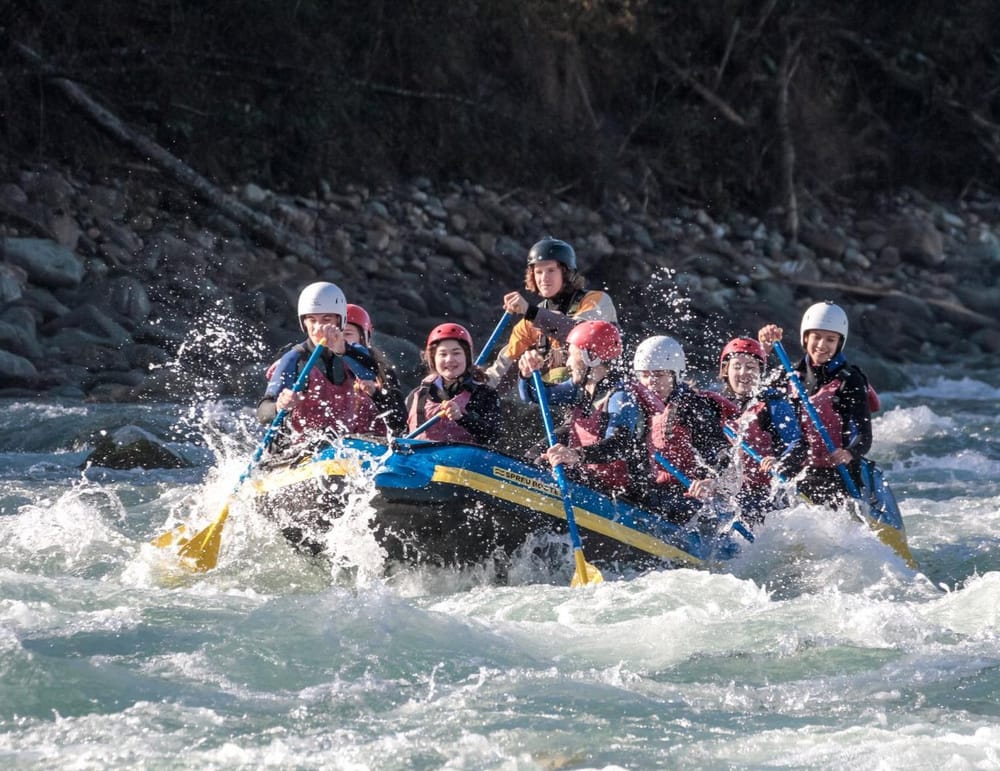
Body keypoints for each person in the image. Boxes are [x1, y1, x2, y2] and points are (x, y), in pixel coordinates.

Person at [760, 301, 873, 506]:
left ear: (839, 343)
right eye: (816, 337)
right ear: (806, 338)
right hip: (799, 468)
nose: (822, 345)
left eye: (830, 339)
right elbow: (756, 397)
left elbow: (864, 434)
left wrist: (849, 453)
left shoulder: (850, 379)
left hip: (839, 473)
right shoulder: (790, 374)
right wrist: (765, 351)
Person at [518, 320, 639, 497]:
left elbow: (619, 444)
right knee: (533, 457)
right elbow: (534, 396)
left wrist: (576, 455)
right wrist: (527, 374)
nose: (567, 363)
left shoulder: (621, 396)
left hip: (614, 492)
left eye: (571, 356)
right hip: (589, 475)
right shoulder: (579, 388)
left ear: (591, 357)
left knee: (545, 465)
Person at [629, 335, 738, 523]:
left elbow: (721, 451)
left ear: (675, 375)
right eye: (645, 375)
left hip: (686, 495)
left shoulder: (692, 407)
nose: (651, 382)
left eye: (660, 374)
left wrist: (711, 480)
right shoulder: (632, 404)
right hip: (650, 489)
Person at [485, 237, 617, 389]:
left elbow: (579, 333)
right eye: (538, 272)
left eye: (551, 270)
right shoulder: (528, 325)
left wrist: (530, 311)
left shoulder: (597, 300)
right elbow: (500, 371)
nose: (544, 278)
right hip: (568, 401)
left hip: (605, 393)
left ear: (567, 273)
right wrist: (472, 388)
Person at [257, 282, 380, 446]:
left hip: (340, 448)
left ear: (339, 321)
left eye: (326, 319)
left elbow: (371, 372)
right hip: (296, 452)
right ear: (304, 323)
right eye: (312, 320)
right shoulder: (294, 359)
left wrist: (341, 350)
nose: (318, 328)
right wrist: (279, 406)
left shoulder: (352, 352)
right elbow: (263, 412)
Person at [718, 336, 807, 523]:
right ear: (726, 371)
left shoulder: (772, 404)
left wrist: (779, 461)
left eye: (751, 367)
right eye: (737, 366)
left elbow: (798, 443)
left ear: (760, 372)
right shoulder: (715, 405)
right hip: (730, 491)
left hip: (765, 493)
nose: (744, 373)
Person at [405, 323, 501, 444]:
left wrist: (462, 418)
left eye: (456, 353)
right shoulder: (416, 395)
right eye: (443, 354)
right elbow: (400, 435)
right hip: (420, 461)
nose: (449, 359)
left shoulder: (485, 394)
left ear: (467, 357)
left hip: (464, 461)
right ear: (433, 359)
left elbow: (492, 436)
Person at [340, 303, 408, 435]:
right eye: (337, 335)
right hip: (334, 445)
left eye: (347, 334)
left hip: (375, 446)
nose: (341, 340)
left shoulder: (382, 372)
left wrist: (376, 395)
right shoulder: (323, 369)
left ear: (363, 338)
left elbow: (400, 423)